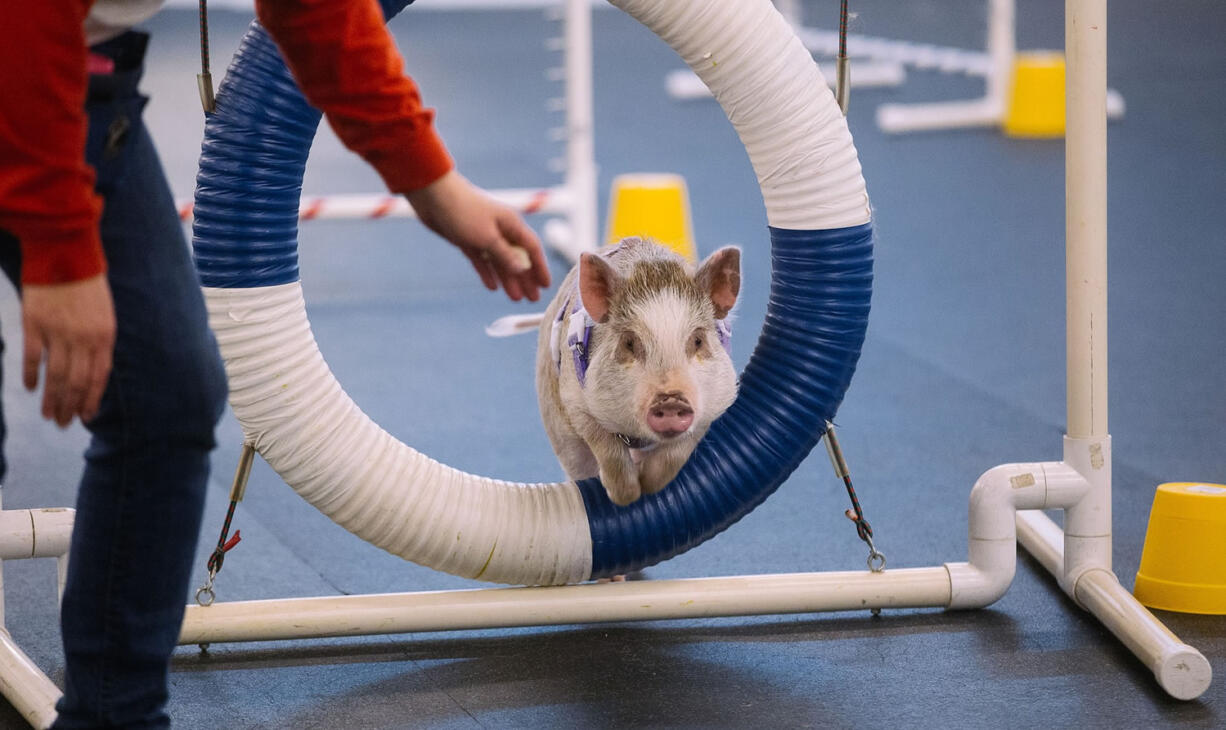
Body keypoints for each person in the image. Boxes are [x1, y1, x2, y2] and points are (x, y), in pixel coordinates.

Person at [0, 0, 551, 726]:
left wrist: (431, 181)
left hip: (85, 91)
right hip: (24, 55)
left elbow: (318, 7)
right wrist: (63, 251)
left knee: (168, 396)